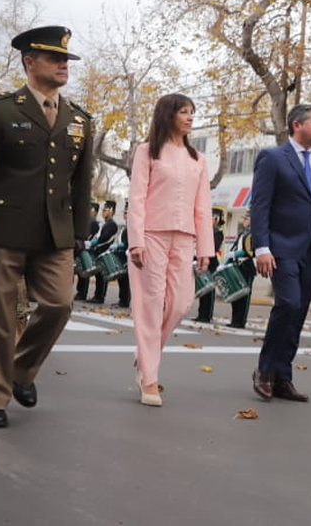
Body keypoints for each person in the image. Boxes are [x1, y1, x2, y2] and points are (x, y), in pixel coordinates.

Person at [0, 25, 93, 428]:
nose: (63, 65)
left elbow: (82, 180)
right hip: (1, 231)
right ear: (30, 62)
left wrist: (80, 231)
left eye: (66, 59)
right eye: (55, 58)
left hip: (55, 235)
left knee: (59, 305)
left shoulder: (79, 119)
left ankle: (19, 371)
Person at [250, 104, 311, 402]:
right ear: (296, 125)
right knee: (288, 304)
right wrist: (261, 247)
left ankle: (283, 377)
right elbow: (261, 206)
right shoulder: (273, 158)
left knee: (299, 314)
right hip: (280, 249)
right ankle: (264, 371)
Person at [125, 93, 214, 407]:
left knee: (180, 303)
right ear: (168, 115)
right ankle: (149, 379)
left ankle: (145, 355)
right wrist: (135, 240)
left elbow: (203, 207)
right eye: (184, 112)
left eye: (192, 112)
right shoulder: (147, 151)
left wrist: (206, 247)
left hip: (185, 238)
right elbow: (136, 198)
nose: (190, 117)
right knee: (150, 305)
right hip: (151, 236)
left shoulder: (198, 160)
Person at [194, 208, 226, 323]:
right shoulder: (204, 231)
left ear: (216, 220)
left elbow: (214, 247)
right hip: (202, 261)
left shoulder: (217, 232)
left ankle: (207, 315)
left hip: (211, 263)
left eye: (211, 218)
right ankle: (201, 314)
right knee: (203, 289)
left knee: (209, 290)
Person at [225, 208, 255, 328]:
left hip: (247, 266)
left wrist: (237, 254)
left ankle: (241, 321)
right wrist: (227, 261)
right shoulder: (243, 233)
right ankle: (234, 320)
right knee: (236, 295)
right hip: (237, 266)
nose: (244, 221)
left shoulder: (254, 233)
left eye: (246, 219)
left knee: (244, 296)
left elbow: (250, 251)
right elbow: (234, 249)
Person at [89, 200, 120, 304]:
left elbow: (105, 238)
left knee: (102, 276)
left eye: (105, 210)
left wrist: (94, 243)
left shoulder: (112, 225)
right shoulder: (105, 224)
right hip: (99, 252)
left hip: (104, 252)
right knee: (98, 276)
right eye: (103, 210)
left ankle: (100, 296)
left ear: (111, 211)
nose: (103, 212)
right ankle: (97, 295)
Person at [73, 202, 100, 301]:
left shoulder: (93, 223)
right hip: (83, 247)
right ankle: (80, 292)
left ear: (94, 211)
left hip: (87, 249)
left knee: (84, 271)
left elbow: (88, 235)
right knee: (81, 271)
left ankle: (82, 293)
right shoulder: (88, 221)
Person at [113, 202, 131, 308]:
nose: (125, 215)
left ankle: (125, 300)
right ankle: (121, 299)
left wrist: (123, 246)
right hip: (121, 255)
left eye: (126, 213)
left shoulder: (132, 227)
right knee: (121, 279)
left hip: (127, 255)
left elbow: (130, 242)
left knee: (126, 280)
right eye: (124, 213)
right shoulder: (125, 227)